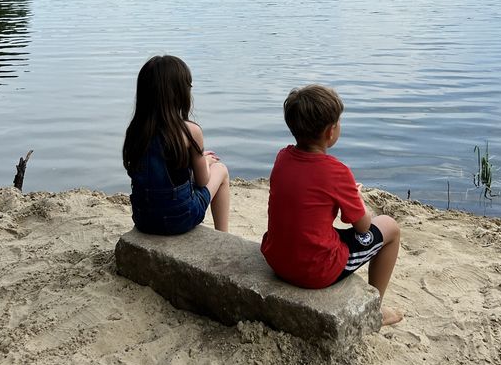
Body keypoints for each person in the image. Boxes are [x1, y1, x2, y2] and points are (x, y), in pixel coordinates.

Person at [261, 84, 403, 326]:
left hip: (276, 259)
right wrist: (357, 199)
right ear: (330, 132)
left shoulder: (282, 157)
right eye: (338, 122)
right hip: (314, 271)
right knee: (390, 228)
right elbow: (362, 226)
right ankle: (374, 312)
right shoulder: (336, 171)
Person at [122, 55, 230, 234]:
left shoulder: (135, 131)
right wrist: (206, 161)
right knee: (221, 170)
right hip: (180, 219)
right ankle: (224, 235)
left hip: (144, 219)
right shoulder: (190, 131)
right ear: (181, 93)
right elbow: (203, 181)